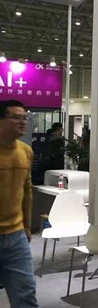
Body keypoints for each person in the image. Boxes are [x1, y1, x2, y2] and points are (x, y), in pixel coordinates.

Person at [0, 100, 38, 307]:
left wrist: (27, 226)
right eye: (16, 117)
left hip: (16, 237)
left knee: (26, 295)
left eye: (25, 117)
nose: (23, 121)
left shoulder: (26, 151)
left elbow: (27, 189)